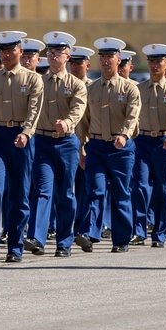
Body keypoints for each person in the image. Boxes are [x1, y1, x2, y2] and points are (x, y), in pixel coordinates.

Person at [0, 31, 44, 262]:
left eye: (10, 50)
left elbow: (35, 111)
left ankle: (15, 246)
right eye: (2, 51)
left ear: (20, 51)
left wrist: (26, 132)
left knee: (18, 193)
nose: (5, 55)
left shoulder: (33, 79)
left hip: (21, 137)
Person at [74, 37, 141, 254]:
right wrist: (82, 147)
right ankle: (89, 234)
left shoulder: (130, 88)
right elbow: (83, 121)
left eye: (109, 57)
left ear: (118, 59)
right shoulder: (91, 89)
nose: (105, 61)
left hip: (120, 148)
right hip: (95, 147)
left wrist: (124, 134)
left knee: (121, 194)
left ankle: (121, 239)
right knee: (95, 190)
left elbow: (133, 116)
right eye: (102, 57)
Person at [26, 31, 87, 258]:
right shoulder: (39, 83)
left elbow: (78, 109)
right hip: (41, 141)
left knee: (64, 194)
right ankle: (37, 238)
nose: (52, 56)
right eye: (50, 52)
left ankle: (64, 242)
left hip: (66, 144)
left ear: (67, 56)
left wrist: (68, 123)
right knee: (41, 190)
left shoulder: (76, 85)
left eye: (58, 52)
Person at [129, 43, 166, 248]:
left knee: (164, 188)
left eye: (158, 61)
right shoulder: (139, 89)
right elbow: (132, 114)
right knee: (140, 185)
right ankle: (140, 231)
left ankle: (160, 232)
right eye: (151, 61)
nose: (154, 65)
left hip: (164, 143)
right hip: (142, 141)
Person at [68, 45, 95, 235]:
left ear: (88, 65)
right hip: (66, 143)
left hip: (87, 145)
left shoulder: (94, 88)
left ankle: (82, 230)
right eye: (73, 63)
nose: (75, 67)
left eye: (79, 63)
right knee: (64, 189)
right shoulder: (63, 86)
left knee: (85, 190)